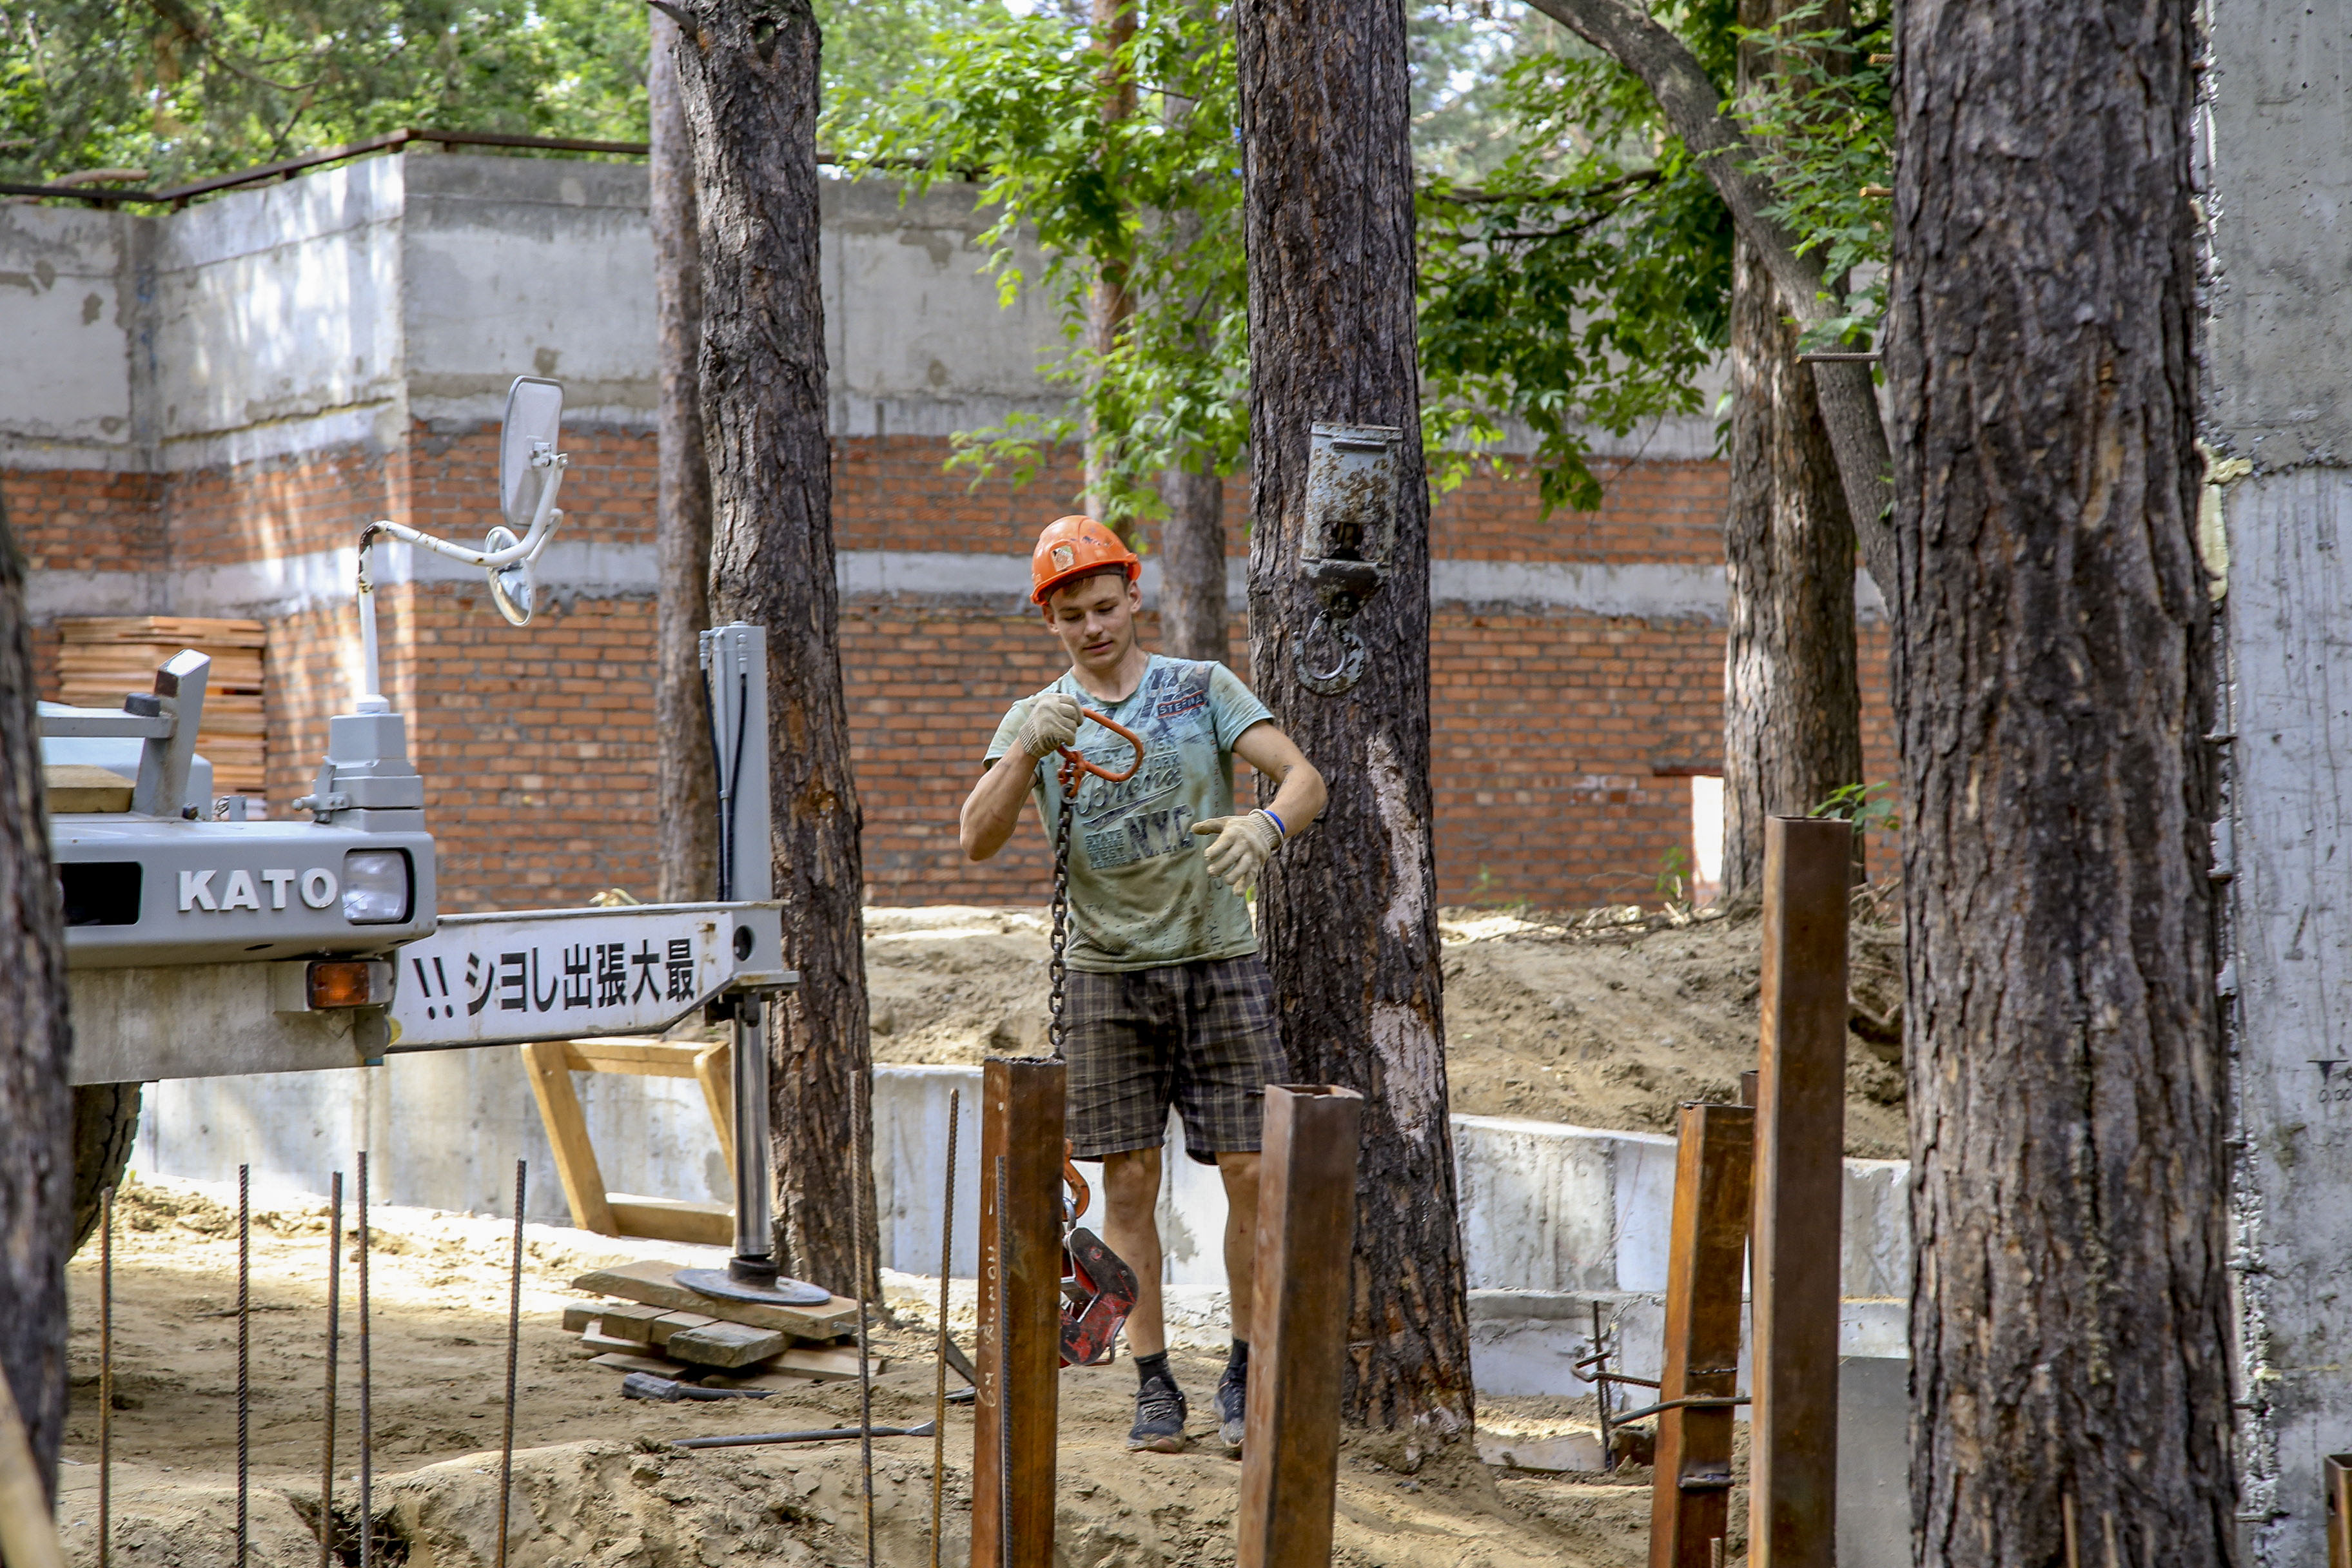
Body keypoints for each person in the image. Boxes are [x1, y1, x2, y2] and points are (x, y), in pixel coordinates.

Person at [958, 514, 1327, 1455]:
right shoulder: (1039, 717)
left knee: (1249, 1168)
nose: (1094, 626)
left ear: (1137, 598)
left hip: (1216, 960)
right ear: (1051, 620)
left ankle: (1243, 1368)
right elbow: (976, 837)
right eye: (1073, 614)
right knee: (1129, 1180)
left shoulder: (1199, 690)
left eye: (1107, 606)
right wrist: (1026, 751)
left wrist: (1265, 830)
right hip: (1105, 976)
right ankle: (1154, 1382)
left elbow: (1301, 777)